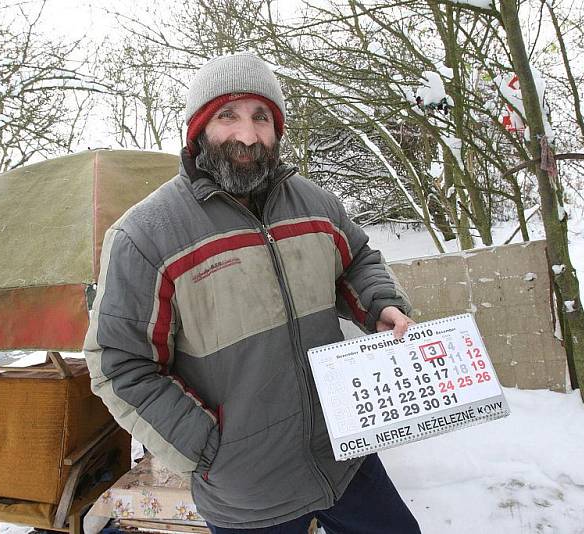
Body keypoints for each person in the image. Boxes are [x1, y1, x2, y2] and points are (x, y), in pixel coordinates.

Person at [84, 53, 421, 533]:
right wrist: (208, 449)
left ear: (277, 128)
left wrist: (380, 304)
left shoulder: (315, 203)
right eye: (228, 115)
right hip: (246, 488)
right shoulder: (146, 235)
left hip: (343, 454)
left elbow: (357, 260)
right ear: (198, 128)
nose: (247, 135)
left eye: (261, 117)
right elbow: (120, 365)